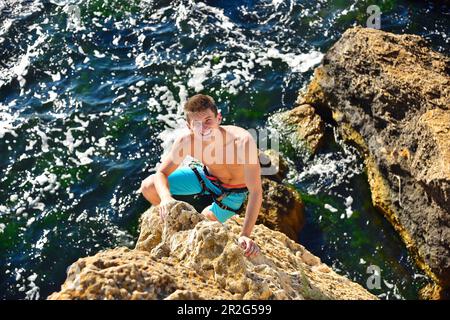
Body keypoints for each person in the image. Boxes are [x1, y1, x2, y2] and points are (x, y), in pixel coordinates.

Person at [140, 94, 262, 258]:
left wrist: (245, 234)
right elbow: (161, 173)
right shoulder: (187, 141)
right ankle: (170, 227)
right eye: (196, 123)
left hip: (234, 192)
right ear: (189, 125)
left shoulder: (242, 141)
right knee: (149, 187)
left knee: (205, 221)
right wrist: (166, 198)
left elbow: (255, 191)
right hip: (206, 177)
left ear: (218, 118)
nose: (203, 129)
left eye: (208, 121)